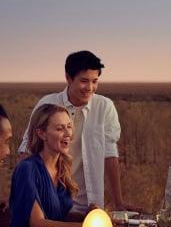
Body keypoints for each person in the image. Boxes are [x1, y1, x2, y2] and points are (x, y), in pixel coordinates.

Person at [18, 50, 133, 213]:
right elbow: (27, 149)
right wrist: (21, 195)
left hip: (90, 204)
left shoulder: (105, 107)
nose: (90, 88)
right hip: (50, 203)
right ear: (68, 78)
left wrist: (118, 202)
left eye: (95, 81)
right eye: (84, 81)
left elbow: (110, 155)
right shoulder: (48, 103)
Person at [10, 104, 84, 227]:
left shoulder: (62, 168)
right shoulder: (27, 169)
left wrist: (92, 217)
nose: (68, 134)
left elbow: (60, 216)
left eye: (69, 126)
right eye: (59, 128)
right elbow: (39, 225)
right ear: (41, 133)